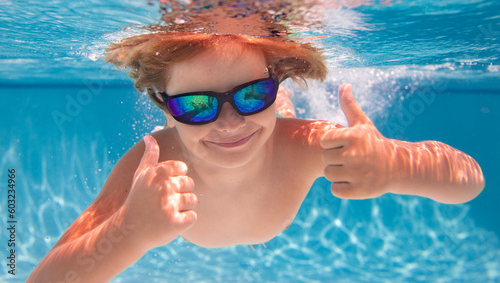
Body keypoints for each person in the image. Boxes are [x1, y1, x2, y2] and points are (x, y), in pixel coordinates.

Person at [28, 32, 484, 282]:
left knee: (280, 123)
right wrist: (127, 232)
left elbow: (470, 179)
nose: (229, 124)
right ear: (163, 105)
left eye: (253, 94)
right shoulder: (154, 163)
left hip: (280, 128)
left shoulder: (305, 143)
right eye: (196, 106)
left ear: (276, 83)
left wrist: (394, 166)